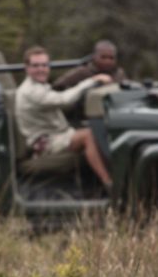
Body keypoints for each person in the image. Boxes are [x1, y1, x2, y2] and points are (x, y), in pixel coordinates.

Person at [15, 46, 113, 191]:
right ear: (27, 68)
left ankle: (96, 185)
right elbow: (64, 100)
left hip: (56, 135)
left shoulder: (38, 85)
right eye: (35, 66)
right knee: (88, 135)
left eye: (44, 65)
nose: (41, 69)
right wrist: (91, 81)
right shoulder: (30, 91)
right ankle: (109, 184)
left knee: (98, 129)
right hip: (46, 143)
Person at [53, 39, 126, 90]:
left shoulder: (118, 74)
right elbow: (57, 86)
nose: (107, 61)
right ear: (94, 56)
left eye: (111, 58)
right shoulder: (83, 72)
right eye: (103, 57)